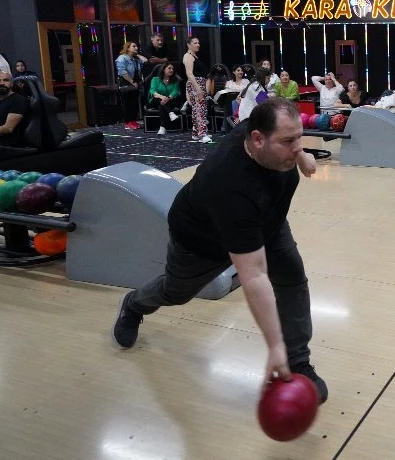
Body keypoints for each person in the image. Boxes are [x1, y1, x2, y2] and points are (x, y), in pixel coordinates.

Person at [111, 97, 328, 404]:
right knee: (176, 292)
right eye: (288, 141)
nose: (296, 147)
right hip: (202, 241)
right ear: (257, 140)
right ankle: (134, 304)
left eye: (299, 139)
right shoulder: (229, 185)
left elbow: (284, 141)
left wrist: (301, 156)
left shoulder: (261, 134)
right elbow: (254, 277)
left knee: (292, 278)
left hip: (266, 220)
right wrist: (274, 345)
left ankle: (298, 361)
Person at [183, 36, 212, 143]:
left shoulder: (195, 57)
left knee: (198, 109)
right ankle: (202, 134)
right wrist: (198, 88)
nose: (198, 45)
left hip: (200, 83)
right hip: (195, 84)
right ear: (188, 44)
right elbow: (189, 74)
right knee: (199, 109)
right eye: (195, 43)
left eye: (198, 43)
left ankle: (196, 133)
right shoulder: (188, 56)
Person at [115, 42, 147, 130]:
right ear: (128, 48)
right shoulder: (122, 58)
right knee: (127, 103)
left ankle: (133, 121)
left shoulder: (135, 59)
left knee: (134, 103)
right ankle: (128, 122)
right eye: (134, 46)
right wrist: (132, 82)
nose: (136, 47)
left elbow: (145, 60)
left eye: (136, 46)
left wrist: (137, 55)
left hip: (135, 82)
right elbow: (122, 72)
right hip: (126, 83)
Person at [148, 62, 181, 136]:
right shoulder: (155, 79)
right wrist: (162, 97)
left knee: (162, 106)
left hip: (169, 100)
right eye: (169, 68)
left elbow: (175, 92)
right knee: (161, 101)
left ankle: (162, 127)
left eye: (172, 69)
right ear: (163, 69)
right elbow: (152, 91)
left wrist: (168, 98)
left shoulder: (175, 80)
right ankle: (170, 113)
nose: (172, 70)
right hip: (156, 99)